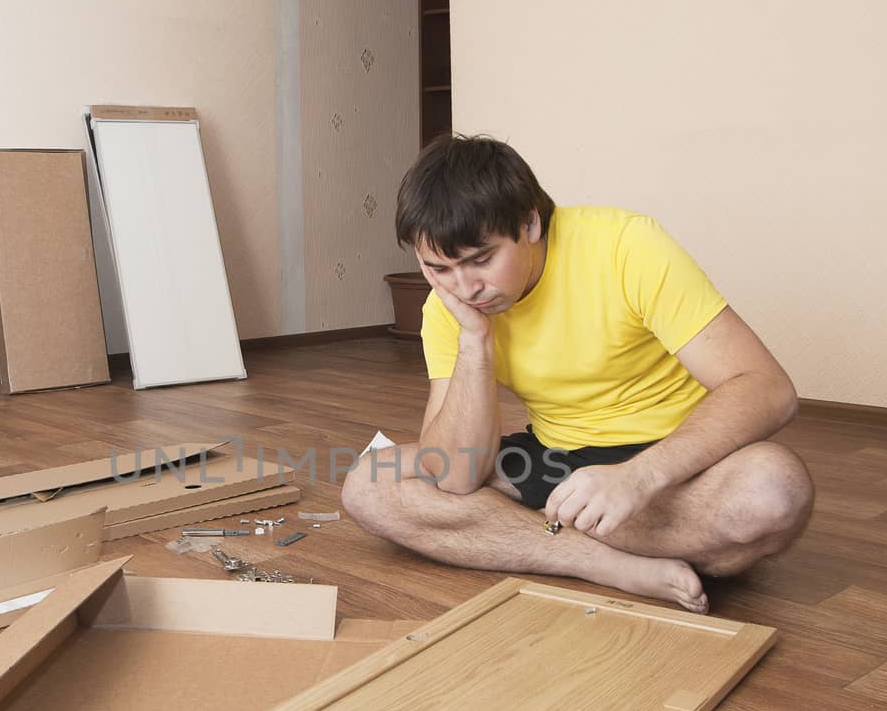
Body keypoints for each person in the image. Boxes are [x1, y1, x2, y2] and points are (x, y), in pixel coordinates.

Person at [341, 134, 813, 613]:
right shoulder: (447, 308)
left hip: (675, 467)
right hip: (555, 464)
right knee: (369, 483)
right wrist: (476, 341)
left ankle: (534, 531)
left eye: (481, 260)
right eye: (438, 269)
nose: (465, 287)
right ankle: (597, 561)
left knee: (773, 490)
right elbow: (457, 473)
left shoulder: (625, 245)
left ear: (529, 222)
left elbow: (768, 388)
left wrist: (639, 478)